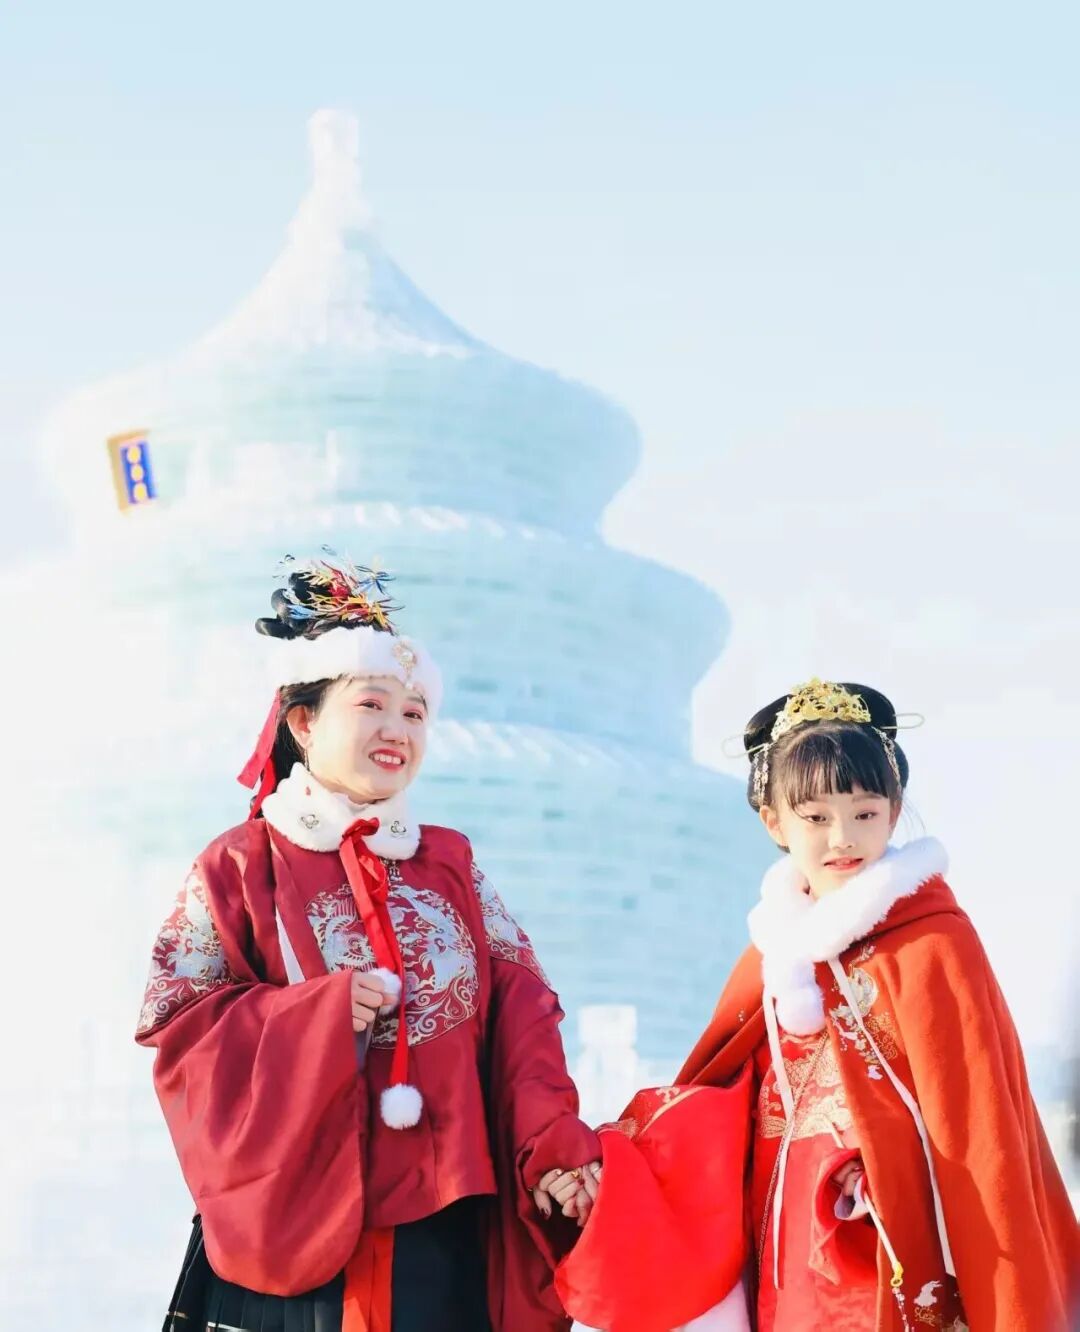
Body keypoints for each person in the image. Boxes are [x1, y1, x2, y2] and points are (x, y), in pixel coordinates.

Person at [136, 552, 601, 1332]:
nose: (397, 730)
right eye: (372, 705)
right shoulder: (240, 864)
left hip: (446, 1228)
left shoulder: (451, 863)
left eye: (415, 714)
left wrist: (552, 1149)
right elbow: (178, 1026)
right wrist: (316, 1016)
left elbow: (525, 1014)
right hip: (301, 1230)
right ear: (303, 722)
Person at [557, 679, 1079, 1331]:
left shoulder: (934, 942)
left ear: (894, 810)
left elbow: (975, 1125)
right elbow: (722, 1098)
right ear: (774, 821)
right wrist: (625, 1170)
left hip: (886, 1231)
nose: (842, 838)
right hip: (784, 1228)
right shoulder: (773, 954)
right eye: (815, 817)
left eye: (864, 813)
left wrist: (881, 1164)